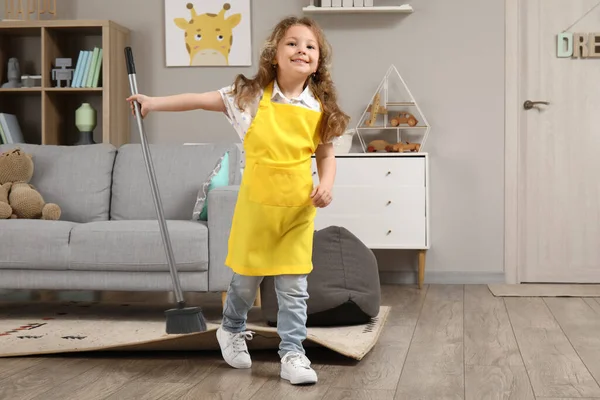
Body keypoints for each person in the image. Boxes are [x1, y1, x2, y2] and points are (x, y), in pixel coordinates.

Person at [127, 16, 350, 385]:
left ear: (317, 62)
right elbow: (200, 100)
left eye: (310, 46)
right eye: (292, 43)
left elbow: (326, 156)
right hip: (256, 210)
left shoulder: (319, 108)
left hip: (297, 211)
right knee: (245, 281)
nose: (302, 50)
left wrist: (326, 185)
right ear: (274, 54)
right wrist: (154, 102)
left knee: (294, 287)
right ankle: (230, 329)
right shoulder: (248, 98)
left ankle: (293, 353)